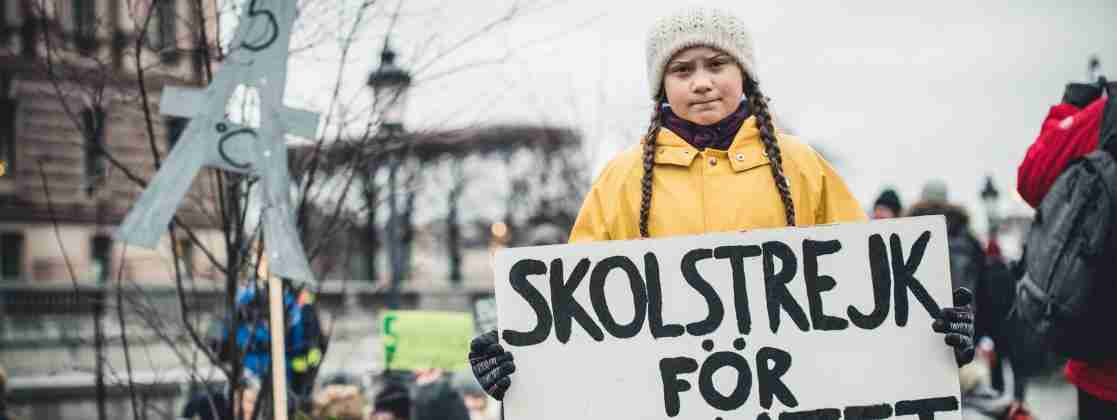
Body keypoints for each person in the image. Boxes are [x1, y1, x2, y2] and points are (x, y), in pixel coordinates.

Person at [468, 6, 975, 402]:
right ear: (662, 86)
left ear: (745, 73)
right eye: (682, 69)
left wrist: (935, 335)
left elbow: (873, 292)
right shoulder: (621, 180)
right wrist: (519, 365)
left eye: (717, 64)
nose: (702, 81)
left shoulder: (802, 166)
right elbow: (574, 321)